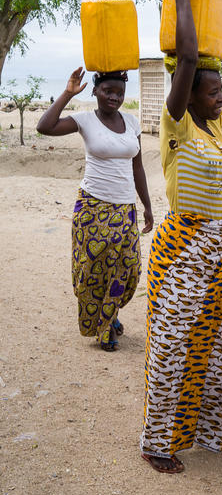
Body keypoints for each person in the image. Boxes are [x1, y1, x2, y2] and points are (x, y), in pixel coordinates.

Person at [140, 0, 222, 474]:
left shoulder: (214, 128)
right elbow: (186, 57)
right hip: (182, 243)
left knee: (211, 340)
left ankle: (211, 431)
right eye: (212, 92)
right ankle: (156, 441)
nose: (221, 99)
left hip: (217, 244)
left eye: (218, 94)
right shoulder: (179, 125)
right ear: (189, 94)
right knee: (171, 343)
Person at [36, 67, 153, 352]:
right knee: (93, 270)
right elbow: (44, 127)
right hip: (92, 208)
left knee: (126, 269)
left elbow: (137, 166)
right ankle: (105, 325)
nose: (114, 97)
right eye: (108, 91)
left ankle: (109, 314)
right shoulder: (85, 120)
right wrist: (67, 93)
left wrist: (147, 205)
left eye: (120, 93)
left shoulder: (132, 121)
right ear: (95, 91)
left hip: (125, 209)